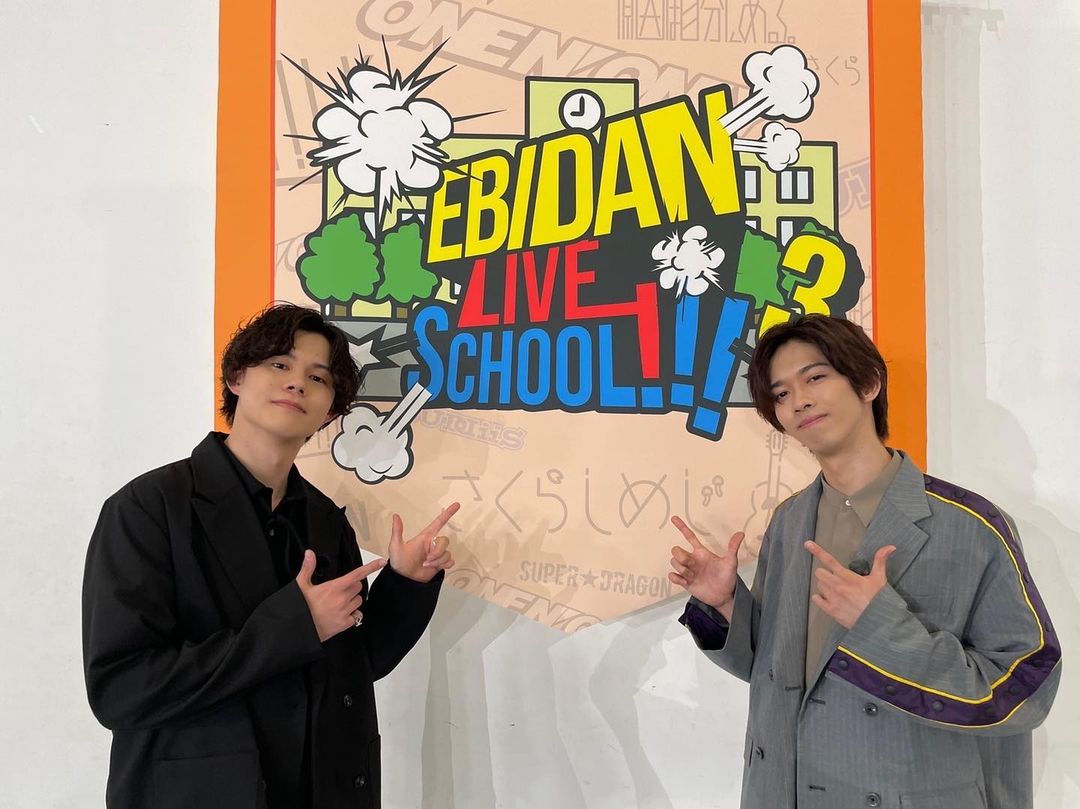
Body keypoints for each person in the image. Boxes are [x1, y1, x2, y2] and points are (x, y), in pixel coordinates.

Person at [668, 314, 1061, 809]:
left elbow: (1026, 689)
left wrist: (882, 626)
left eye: (815, 377)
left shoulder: (969, 525)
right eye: (781, 393)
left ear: (869, 383)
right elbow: (775, 672)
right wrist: (726, 603)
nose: (799, 400)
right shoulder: (789, 521)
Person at [82, 303, 458, 809]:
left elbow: (355, 665)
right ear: (237, 377)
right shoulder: (149, 508)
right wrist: (297, 626)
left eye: (318, 377)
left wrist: (406, 583)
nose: (297, 383)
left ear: (331, 411)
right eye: (280, 364)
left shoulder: (325, 522)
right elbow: (121, 689)